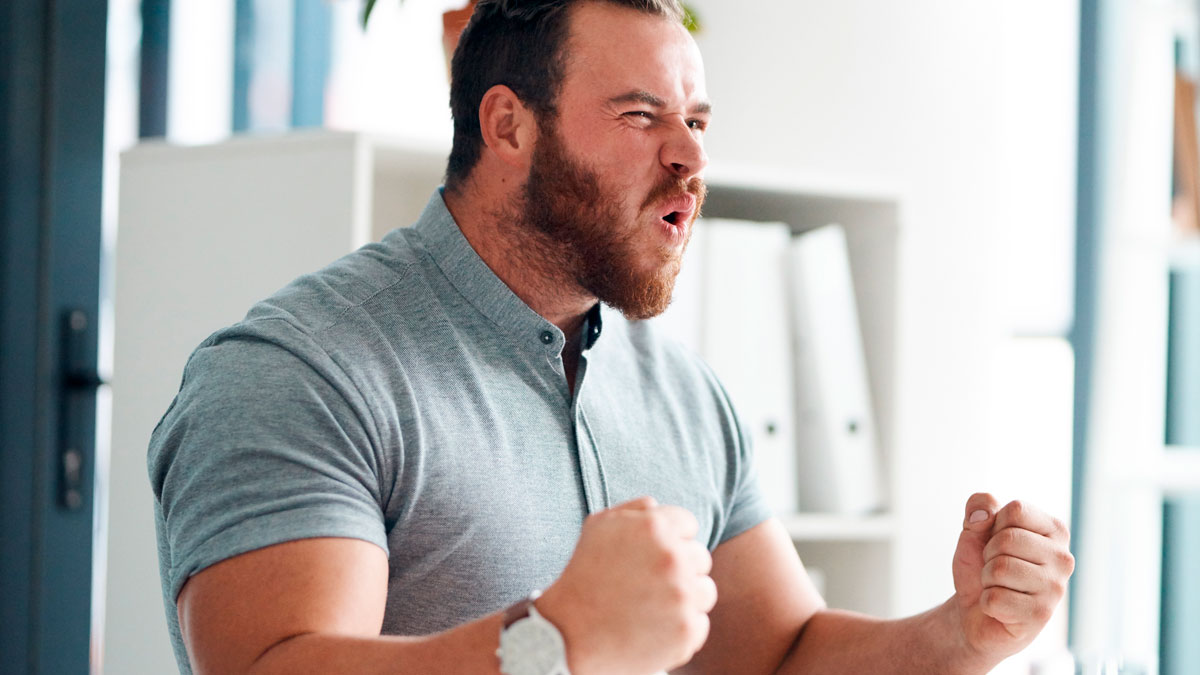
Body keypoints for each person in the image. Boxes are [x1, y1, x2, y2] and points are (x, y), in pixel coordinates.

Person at [148, 0, 1076, 673]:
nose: (691, 157)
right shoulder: (301, 372)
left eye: (697, 121)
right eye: (641, 115)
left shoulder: (686, 397)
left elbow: (784, 655)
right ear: (508, 124)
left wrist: (963, 632)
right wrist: (556, 640)